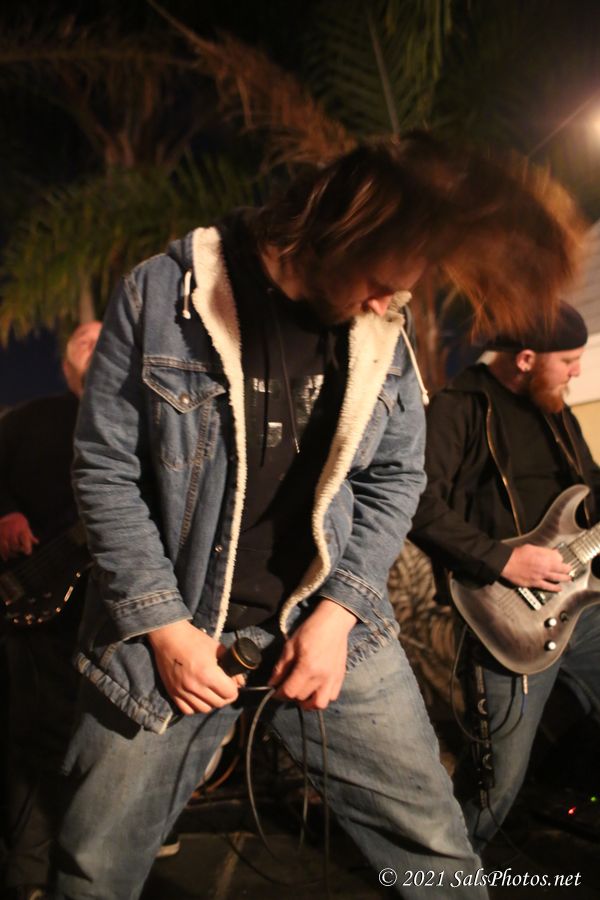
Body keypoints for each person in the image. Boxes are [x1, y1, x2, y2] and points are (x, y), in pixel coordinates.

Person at [54, 133, 581, 900]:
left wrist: (338, 615)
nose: (386, 307)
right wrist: (163, 627)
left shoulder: (382, 320)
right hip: (171, 638)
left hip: (333, 628)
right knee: (93, 872)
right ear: (334, 230)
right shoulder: (162, 292)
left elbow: (398, 476)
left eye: (399, 294)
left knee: (439, 858)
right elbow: (104, 471)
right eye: (378, 285)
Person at [410, 300, 600, 851]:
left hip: (580, 606)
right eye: (567, 360)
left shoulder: (554, 409)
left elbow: (586, 492)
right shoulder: (460, 407)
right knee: (495, 787)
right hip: (508, 615)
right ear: (525, 359)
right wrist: (504, 560)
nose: (577, 371)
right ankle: (436, 876)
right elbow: (418, 504)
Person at [0, 322, 102, 900]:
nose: (94, 342)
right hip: (37, 604)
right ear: (65, 367)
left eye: (104, 337)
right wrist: (5, 512)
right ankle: (28, 874)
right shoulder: (30, 418)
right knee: (36, 734)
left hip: (117, 610)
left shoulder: (148, 421)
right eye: (82, 340)